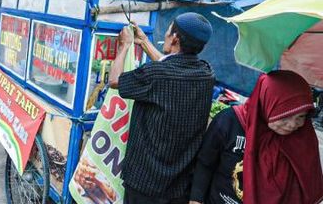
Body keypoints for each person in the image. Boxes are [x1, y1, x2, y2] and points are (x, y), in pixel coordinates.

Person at [108, 12, 215, 204]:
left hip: (144, 184)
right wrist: (144, 42)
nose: (164, 35)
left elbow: (115, 81)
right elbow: (172, 67)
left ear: (175, 38)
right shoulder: (206, 74)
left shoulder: (156, 74)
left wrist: (124, 46)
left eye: (168, 30)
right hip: (179, 186)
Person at [190, 71, 323, 204]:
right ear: (266, 104)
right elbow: (205, 163)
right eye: (285, 116)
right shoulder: (229, 122)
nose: (293, 125)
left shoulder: (300, 140)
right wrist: (196, 199)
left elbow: (306, 183)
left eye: (301, 116)